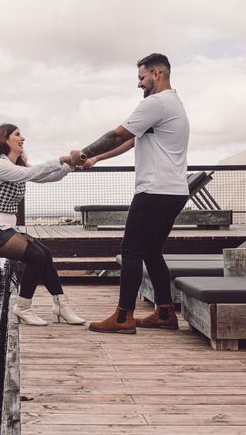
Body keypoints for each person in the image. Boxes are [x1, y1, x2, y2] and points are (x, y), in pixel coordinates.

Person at [69, 53, 189, 334]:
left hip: (155, 191)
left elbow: (119, 134)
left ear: (156, 74)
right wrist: (97, 159)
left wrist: (84, 152)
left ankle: (123, 318)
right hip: (174, 191)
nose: (139, 84)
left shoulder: (156, 103)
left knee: (131, 250)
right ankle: (164, 312)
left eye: (141, 77)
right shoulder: (173, 103)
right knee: (151, 251)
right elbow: (132, 140)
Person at [0, 123, 85, 326]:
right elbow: (30, 174)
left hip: (3, 228)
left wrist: (71, 165)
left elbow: (47, 176)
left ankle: (61, 306)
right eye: (17, 135)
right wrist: (61, 159)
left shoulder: (16, 166)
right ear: (3, 139)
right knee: (36, 256)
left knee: (45, 253)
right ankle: (23, 308)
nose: (22, 138)